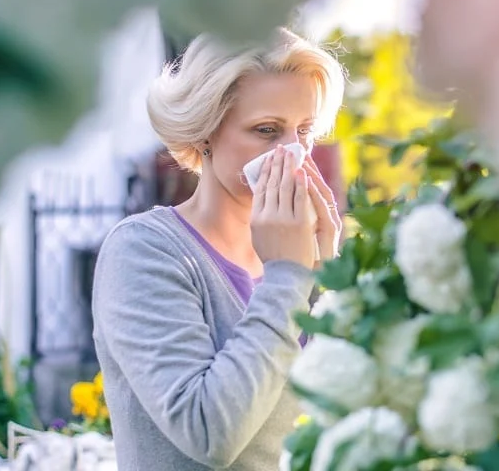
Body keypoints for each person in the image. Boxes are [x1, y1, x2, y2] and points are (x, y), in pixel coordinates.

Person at [91, 27, 346, 471]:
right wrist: (288, 275)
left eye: (303, 131)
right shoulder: (144, 252)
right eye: (267, 130)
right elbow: (210, 433)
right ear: (206, 132)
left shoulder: (305, 262)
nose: (293, 153)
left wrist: (326, 282)